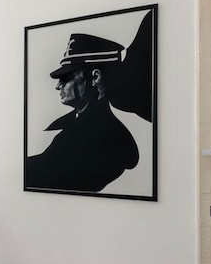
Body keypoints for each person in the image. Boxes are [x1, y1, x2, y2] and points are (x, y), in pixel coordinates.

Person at [25, 33, 139, 192]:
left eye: (66, 77)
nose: (58, 86)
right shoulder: (79, 127)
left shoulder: (108, 136)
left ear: (95, 78)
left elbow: (49, 173)